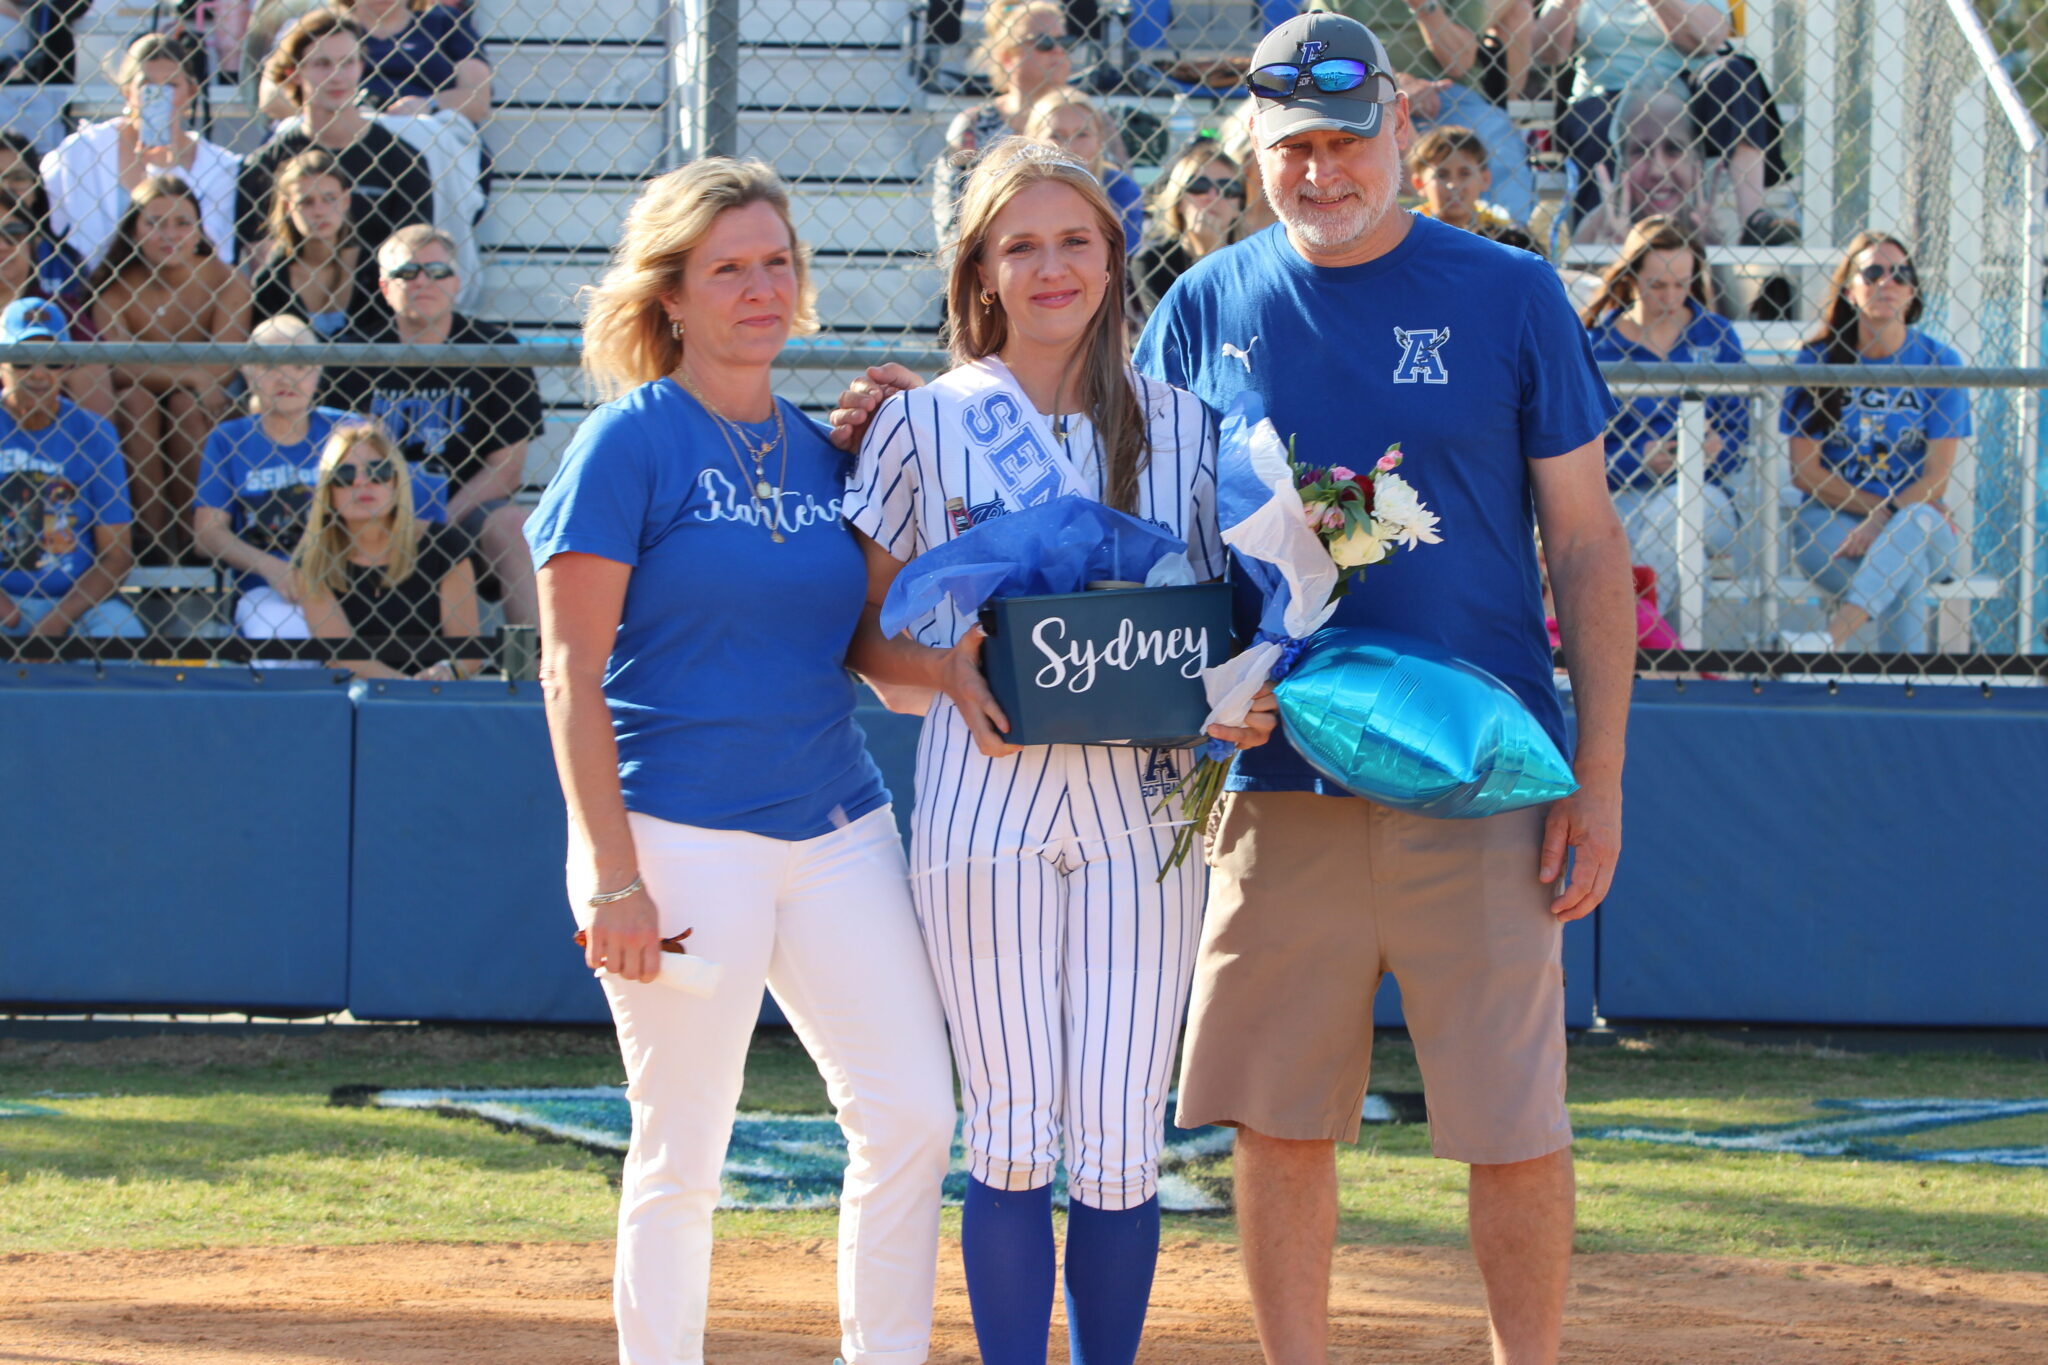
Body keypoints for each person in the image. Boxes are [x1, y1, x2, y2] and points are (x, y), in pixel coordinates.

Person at [823, 14, 1618, 1364]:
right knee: (1278, 1115)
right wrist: (912, 415)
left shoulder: (1509, 291)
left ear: (1404, 134)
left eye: (1344, 139)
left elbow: (1593, 550)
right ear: (1253, 148)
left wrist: (1597, 778)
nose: (1319, 170)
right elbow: (1094, 484)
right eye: (1290, 146)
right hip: (1267, 777)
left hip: (1479, 771)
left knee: (1510, 1120)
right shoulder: (1204, 304)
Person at [842, 140, 1276, 1365]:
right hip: (984, 809)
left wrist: (1245, 695)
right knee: (1013, 1131)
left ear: (1112, 258)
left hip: (1148, 809)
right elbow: (865, 642)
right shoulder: (922, 425)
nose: (1048, 267)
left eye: (1073, 241)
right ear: (978, 268)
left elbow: (1241, 624)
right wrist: (941, 670)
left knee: (1123, 1134)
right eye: (1017, 244)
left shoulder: (1192, 431)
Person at [523, 157, 957, 1365]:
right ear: (671, 295)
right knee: (684, 1148)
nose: (760, 288)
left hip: (833, 829)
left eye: (777, 262)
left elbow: (872, 652)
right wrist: (611, 876)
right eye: (728, 268)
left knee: (914, 1114)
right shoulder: (628, 444)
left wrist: (909, 451)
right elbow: (568, 674)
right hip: (675, 838)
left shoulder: (825, 449)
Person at [321, 224, 541, 625]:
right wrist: (395, 516)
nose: (422, 281)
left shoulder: (498, 352)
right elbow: (335, 458)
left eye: (437, 271)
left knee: (515, 524)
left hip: (466, 510)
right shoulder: (351, 355)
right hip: (368, 506)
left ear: (456, 282)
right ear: (385, 288)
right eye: (406, 273)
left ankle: (537, 667)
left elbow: (506, 468)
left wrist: (439, 517)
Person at [1778, 232, 1969, 653]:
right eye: (1873, 272)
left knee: (1912, 531)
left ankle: (1830, 640)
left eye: (1900, 275)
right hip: (1830, 523)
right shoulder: (1817, 361)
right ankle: (1906, 699)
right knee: (1906, 571)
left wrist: (1887, 519)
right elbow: (1806, 472)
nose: (1887, 283)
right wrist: (1881, 514)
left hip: (1917, 522)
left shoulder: (1940, 363)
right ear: (1849, 290)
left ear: (1913, 291)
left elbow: (1937, 477)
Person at [1581, 215, 1745, 608]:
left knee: (1673, 512)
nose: (1671, 297)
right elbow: (1575, 448)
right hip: (1617, 494)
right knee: (1666, 534)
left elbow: (1740, 436)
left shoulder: (1717, 335)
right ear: (1632, 277)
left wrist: (1713, 448)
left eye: (1682, 285)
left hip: (1707, 496)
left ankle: (1640, 642)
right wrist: (1638, 459)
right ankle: (1674, 654)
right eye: (1657, 285)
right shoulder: (1597, 344)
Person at [1535, 0, 1793, 242]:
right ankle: (1602, 249)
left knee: (1736, 75)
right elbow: (1548, 53)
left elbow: (1710, 39)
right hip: (1608, 88)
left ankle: (1753, 218)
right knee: (1600, 125)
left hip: (1684, 87)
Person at [92, 174, 252, 561]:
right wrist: (192, 373)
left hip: (204, 403)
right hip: (139, 400)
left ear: (199, 230)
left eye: (182, 223)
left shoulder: (226, 280)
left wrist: (191, 379)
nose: (170, 234)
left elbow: (222, 368)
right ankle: (153, 544)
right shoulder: (111, 285)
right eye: (155, 223)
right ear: (133, 231)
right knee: (135, 401)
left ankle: (198, 542)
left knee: (183, 405)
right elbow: (116, 366)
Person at [192, 314, 360, 640]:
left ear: (319, 370)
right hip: (267, 589)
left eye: (299, 365)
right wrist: (272, 568)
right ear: (248, 371)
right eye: (270, 365)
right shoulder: (229, 439)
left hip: (349, 578)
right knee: (284, 631)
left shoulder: (352, 432)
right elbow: (208, 533)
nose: (286, 378)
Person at [237, 9, 437, 264]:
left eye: (347, 63)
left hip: (379, 298)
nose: (336, 76)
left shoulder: (404, 162)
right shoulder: (264, 166)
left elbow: (412, 262)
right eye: (322, 64)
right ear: (294, 73)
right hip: (293, 300)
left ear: (361, 67)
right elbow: (262, 265)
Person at [291, 418, 479, 678]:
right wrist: (409, 688)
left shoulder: (445, 545)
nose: (361, 482)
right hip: (355, 700)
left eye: (377, 471)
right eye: (345, 475)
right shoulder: (313, 559)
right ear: (328, 491)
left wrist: (444, 673)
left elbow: (467, 652)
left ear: (395, 481)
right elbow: (342, 657)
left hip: (437, 697)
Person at [0, 297, 142, 640]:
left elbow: (116, 555)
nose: (38, 374)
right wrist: (6, 611)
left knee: (122, 632)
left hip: (74, 603)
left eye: (54, 362)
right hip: (3, 602)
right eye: (23, 361)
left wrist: (58, 618)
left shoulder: (94, 433)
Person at [40, 34, 240, 269]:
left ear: (191, 93)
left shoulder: (219, 166)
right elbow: (48, 222)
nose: (158, 95)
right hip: (94, 287)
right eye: (147, 86)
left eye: (171, 85)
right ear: (127, 92)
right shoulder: (83, 150)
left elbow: (217, 253)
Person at [933, 0, 1072, 245]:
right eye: (1044, 43)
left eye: (1064, 42)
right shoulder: (974, 125)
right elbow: (952, 216)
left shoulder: (1090, 119)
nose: (1058, 51)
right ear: (1008, 56)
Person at [260, 0, 490, 125]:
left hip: (422, 129)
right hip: (332, 130)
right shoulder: (318, 25)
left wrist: (427, 105)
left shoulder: (445, 23)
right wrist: (331, 114)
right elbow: (270, 95)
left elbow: (478, 98)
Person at [1570, 78, 1739, 248]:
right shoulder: (1597, 227)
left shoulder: (1722, 220)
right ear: (1622, 159)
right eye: (1640, 151)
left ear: (1697, 157)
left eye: (1673, 149)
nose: (1657, 171)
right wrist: (1617, 253)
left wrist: (1711, 248)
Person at [244, 149, 383, 339]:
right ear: (287, 207)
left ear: (345, 201)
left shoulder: (374, 270)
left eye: (329, 199)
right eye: (306, 202)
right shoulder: (271, 280)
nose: (319, 211)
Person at [0, 189, 113, 418]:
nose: (3, 245)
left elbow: (95, 385)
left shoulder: (59, 312)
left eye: (13, 232)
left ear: (33, 241)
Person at [1333, 0, 1532, 106]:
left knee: (1496, 159)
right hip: (1365, 89)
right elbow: (1327, 46)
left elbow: (1459, 62)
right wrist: (1397, 81)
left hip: (1449, 93)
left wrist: (1423, 5)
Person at [1022, 90, 1143, 254]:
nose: (1070, 147)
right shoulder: (1016, 192)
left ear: (1099, 140)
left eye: (1082, 134)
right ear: (1032, 140)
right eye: (1056, 135)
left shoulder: (1121, 189)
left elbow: (1122, 260)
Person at [1131, 139, 1243, 315]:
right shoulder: (1152, 262)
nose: (1213, 196)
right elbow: (1178, 329)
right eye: (1199, 186)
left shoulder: (1255, 261)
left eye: (1227, 188)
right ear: (1179, 201)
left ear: (1239, 207)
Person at [1407, 124, 1539, 253]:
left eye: (1465, 173)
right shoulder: (1408, 230)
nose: (1454, 185)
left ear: (1484, 179)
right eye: (1441, 175)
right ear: (1419, 183)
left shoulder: (1500, 234)